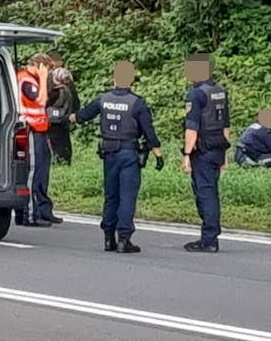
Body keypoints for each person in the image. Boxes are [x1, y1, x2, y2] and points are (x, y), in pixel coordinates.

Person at [74, 61, 162, 253]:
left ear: (114, 78)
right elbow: (149, 132)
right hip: (129, 153)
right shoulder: (137, 103)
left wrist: (64, 116)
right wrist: (158, 154)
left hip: (109, 153)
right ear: (131, 80)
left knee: (111, 196)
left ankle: (108, 238)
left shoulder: (102, 99)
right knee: (127, 196)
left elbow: (81, 117)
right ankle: (124, 239)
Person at [181, 54, 231, 253]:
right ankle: (211, 234)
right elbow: (226, 125)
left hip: (202, 150)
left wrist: (186, 155)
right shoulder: (219, 91)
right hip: (218, 146)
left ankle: (209, 238)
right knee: (211, 191)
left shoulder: (196, 94)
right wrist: (225, 154)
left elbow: (191, 128)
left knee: (205, 193)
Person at [15, 52, 60, 226]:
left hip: (38, 129)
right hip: (31, 129)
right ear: (39, 66)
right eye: (46, 70)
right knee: (33, 172)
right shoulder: (26, 80)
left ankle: (26, 213)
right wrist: (42, 78)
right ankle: (30, 215)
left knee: (38, 171)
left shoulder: (27, 78)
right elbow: (40, 101)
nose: (47, 75)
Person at [46, 65, 78, 166]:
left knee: (57, 146)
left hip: (53, 122)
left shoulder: (53, 91)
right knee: (64, 145)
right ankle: (64, 163)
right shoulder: (68, 90)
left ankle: (59, 163)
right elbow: (76, 104)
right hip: (63, 121)